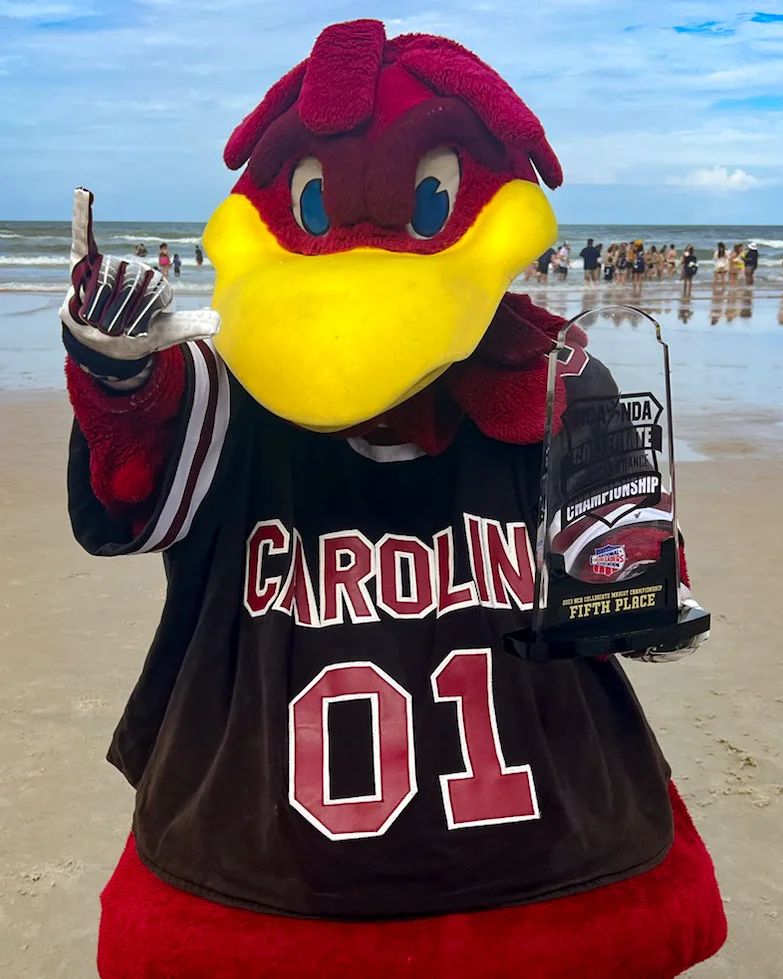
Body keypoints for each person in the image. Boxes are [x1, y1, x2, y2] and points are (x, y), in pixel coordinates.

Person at [56, 20, 726, 979]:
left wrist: (643, 593)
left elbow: (621, 576)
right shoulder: (227, 394)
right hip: (294, 870)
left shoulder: (553, 380)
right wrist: (120, 378)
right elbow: (130, 491)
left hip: (508, 862)